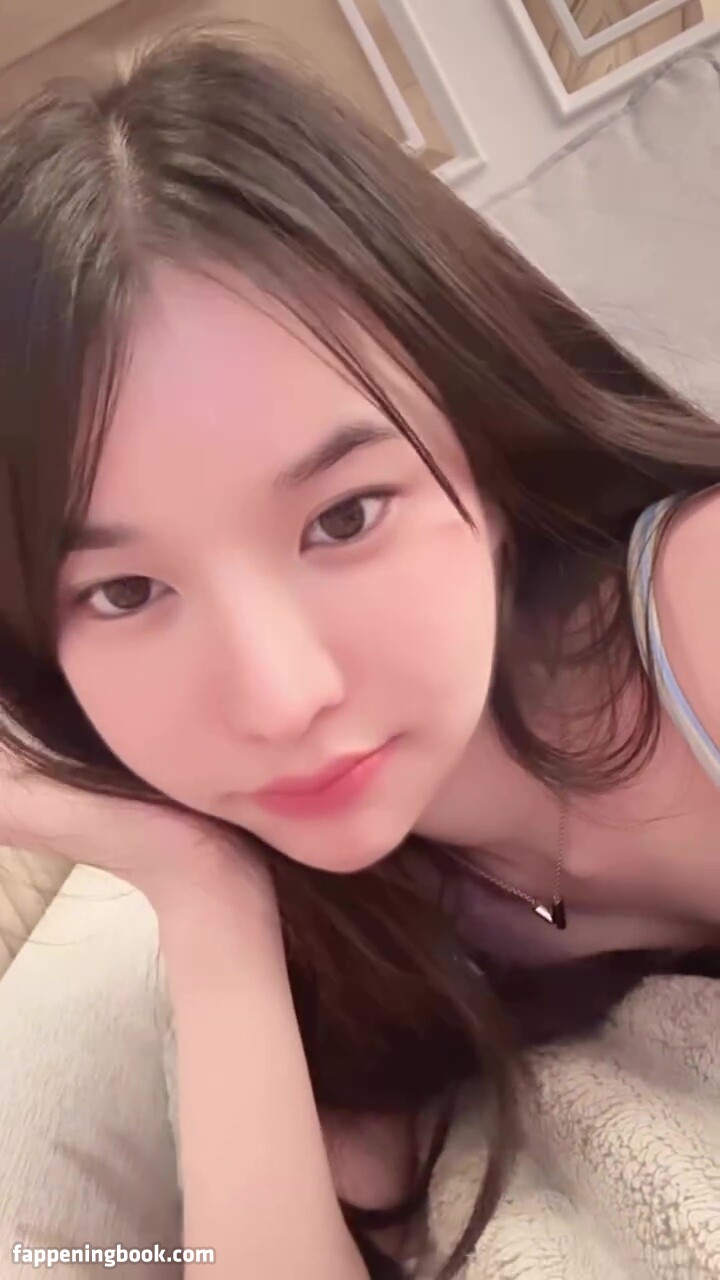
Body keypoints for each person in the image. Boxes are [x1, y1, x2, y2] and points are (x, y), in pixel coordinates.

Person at [0, 24, 718, 1280]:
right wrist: (203, 894)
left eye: (344, 517)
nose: (281, 698)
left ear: (482, 460)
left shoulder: (698, 612)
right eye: (125, 590)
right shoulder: (344, 933)